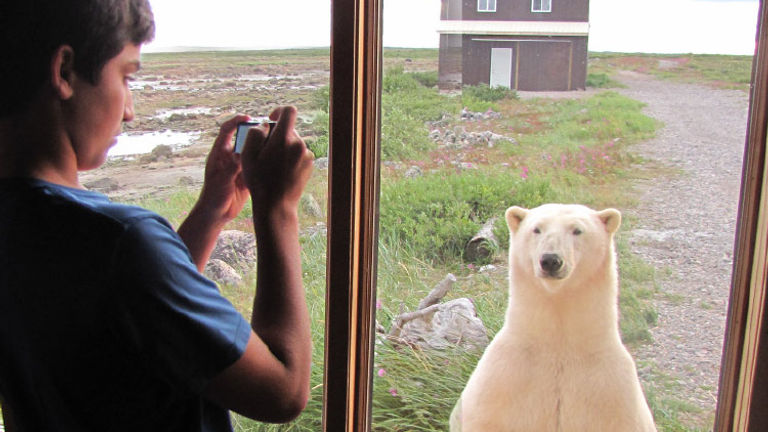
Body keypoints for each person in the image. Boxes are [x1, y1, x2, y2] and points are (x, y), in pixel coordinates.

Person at [0, 0, 314, 430]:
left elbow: (127, 311)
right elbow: (283, 391)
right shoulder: (123, 240)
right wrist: (278, 209)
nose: (129, 111)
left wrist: (211, 211)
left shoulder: (38, 223)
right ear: (65, 72)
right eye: (127, 78)